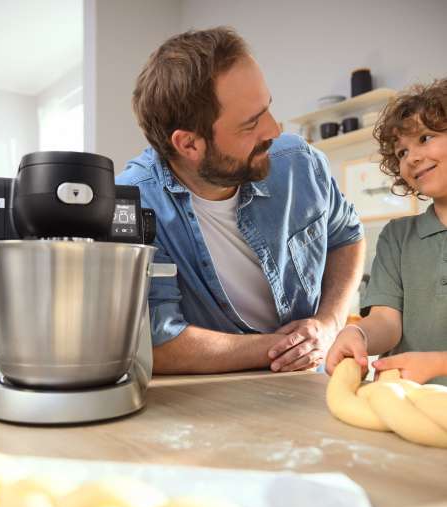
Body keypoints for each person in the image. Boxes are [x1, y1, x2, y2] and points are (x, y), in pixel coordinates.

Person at [117, 27, 365, 374]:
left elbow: (347, 236)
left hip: (310, 383)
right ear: (189, 144)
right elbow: (156, 342)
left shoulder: (300, 163)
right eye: (250, 124)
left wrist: (328, 322)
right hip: (211, 402)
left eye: (267, 108)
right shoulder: (131, 205)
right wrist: (290, 347)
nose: (274, 131)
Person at [326, 78, 447, 385]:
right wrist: (359, 333)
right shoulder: (397, 237)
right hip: (403, 402)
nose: (412, 157)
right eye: (402, 152)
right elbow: (386, 321)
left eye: (425, 138)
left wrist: (438, 364)